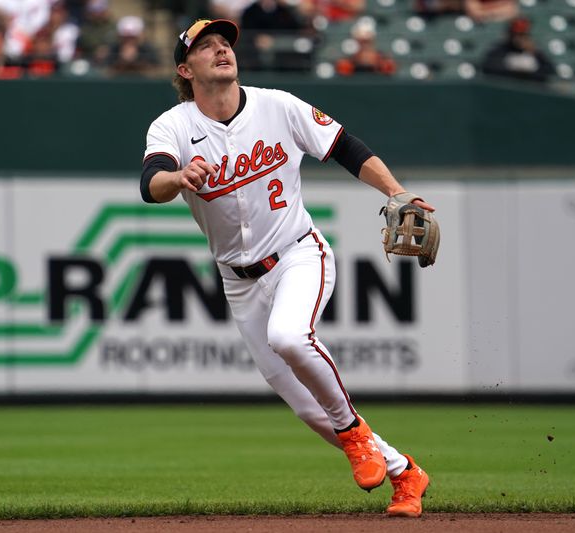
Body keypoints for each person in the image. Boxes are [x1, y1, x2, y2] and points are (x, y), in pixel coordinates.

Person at [140, 18, 432, 518]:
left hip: (298, 253)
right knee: (305, 407)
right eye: (206, 47)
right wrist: (178, 176)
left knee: (291, 337)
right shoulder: (174, 126)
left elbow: (346, 147)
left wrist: (397, 193)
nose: (221, 50)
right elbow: (151, 184)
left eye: (225, 43)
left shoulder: (278, 105)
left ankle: (356, 434)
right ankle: (405, 472)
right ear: (186, 69)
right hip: (239, 281)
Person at [480, 16, 555, 83]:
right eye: (516, 35)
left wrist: (534, 53)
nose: (519, 38)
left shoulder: (536, 54)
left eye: (523, 35)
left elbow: (550, 73)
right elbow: (490, 69)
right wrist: (517, 72)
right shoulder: (499, 50)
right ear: (510, 35)